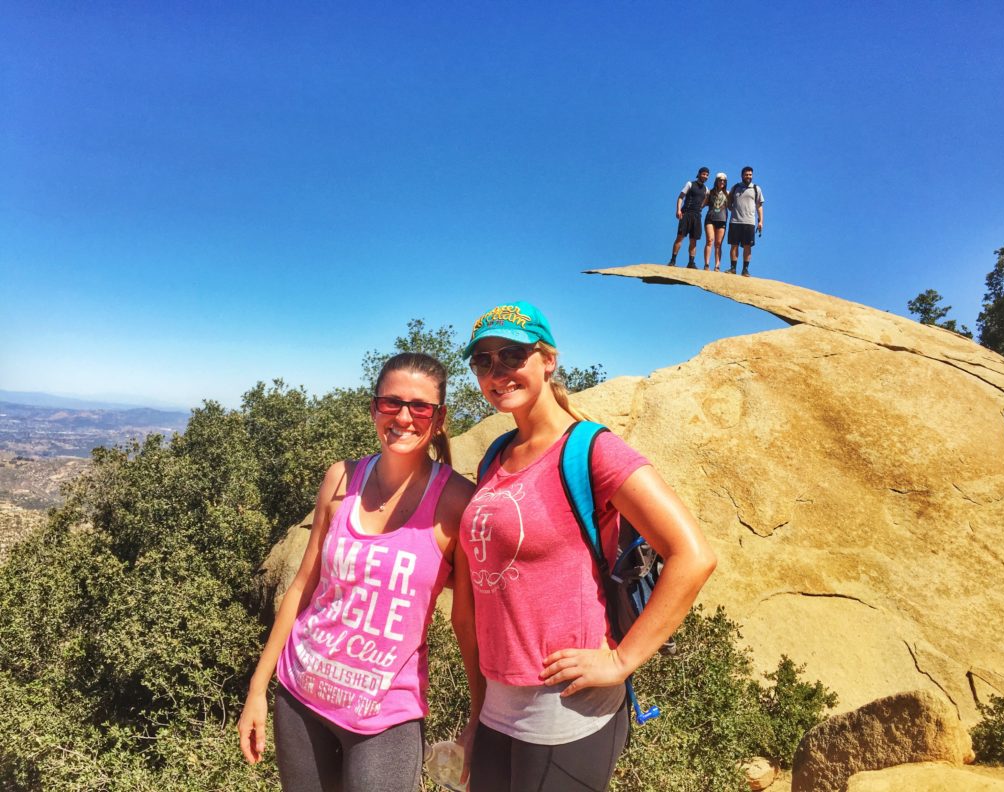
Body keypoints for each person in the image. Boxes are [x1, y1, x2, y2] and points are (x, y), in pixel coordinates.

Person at [459, 301, 718, 792]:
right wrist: (477, 710)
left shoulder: (592, 450)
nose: (497, 372)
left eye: (512, 355)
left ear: (547, 359)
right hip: (498, 707)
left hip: (565, 713)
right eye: (483, 361)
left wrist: (622, 661)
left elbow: (694, 555)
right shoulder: (496, 455)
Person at [237, 352, 482, 792]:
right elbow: (300, 588)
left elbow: (465, 621)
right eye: (391, 403)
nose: (404, 417)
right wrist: (257, 689)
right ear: (374, 409)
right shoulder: (341, 479)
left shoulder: (457, 501)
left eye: (420, 407)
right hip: (299, 696)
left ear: (439, 418)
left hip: (386, 717)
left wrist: (479, 719)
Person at [668, 167, 710, 267]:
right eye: (703, 174)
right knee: (680, 237)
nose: (705, 176)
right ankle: (673, 260)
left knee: (694, 239)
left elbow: (706, 201)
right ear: (699, 174)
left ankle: (691, 262)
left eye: (707, 175)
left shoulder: (706, 189)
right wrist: (678, 210)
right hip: (686, 213)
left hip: (697, 216)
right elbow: (680, 197)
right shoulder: (690, 184)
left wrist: (701, 207)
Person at [726, 166, 764, 276]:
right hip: (735, 221)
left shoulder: (756, 189)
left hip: (749, 222)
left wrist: (761, 221)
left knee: (747, 246)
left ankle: (745, 270)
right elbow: (729, 201)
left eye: (750, 175)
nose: (749, 176)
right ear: (742, 175)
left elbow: (759, 206)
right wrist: (730, 207)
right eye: (746, 174)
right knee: (734, 245)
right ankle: (733, 268)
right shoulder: (735, 187)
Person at [703, 172, 729, 271]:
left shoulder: (728, 193)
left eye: (724, 180)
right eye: (720, 180)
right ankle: (706, 264)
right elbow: (703, 204)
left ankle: (717, 265)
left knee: (718, 243)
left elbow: (731, 207)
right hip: (710, 218)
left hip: (722, 219)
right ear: (716, 181)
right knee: (710, 240)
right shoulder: (710, 192)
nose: (722, 182)